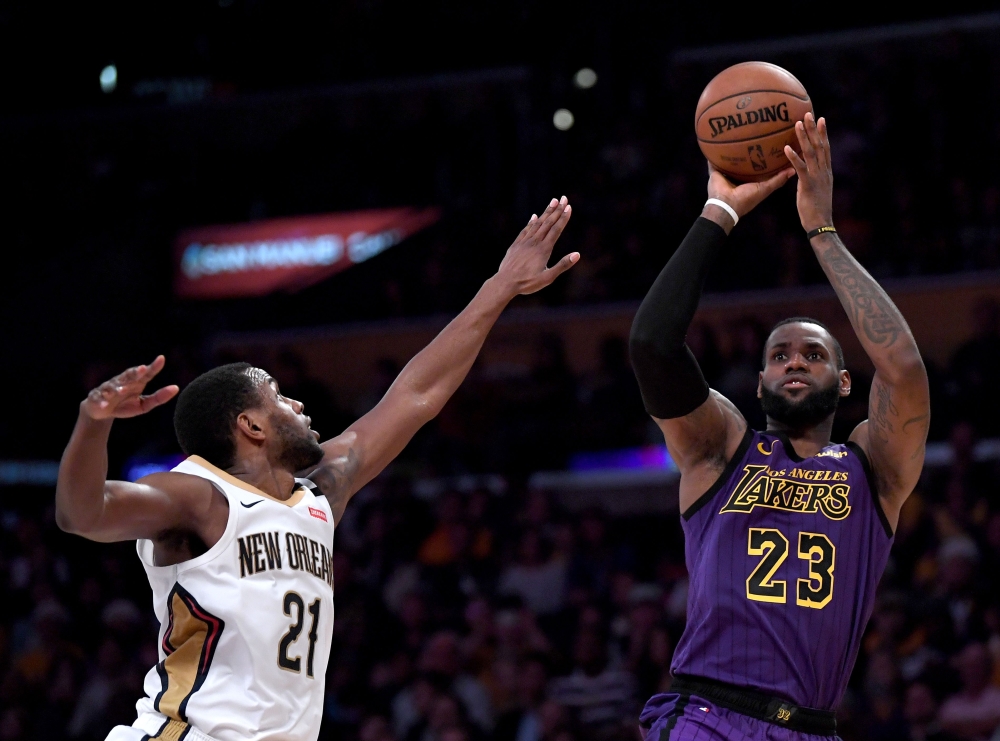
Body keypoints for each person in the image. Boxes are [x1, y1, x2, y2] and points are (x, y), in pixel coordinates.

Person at [54, 197, 579, 741]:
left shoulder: (319, 493)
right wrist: (94, 423)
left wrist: (501, 287)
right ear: (249, 427)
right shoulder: (198, 497)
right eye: (279, 397)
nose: (299, 406)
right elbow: (82, 513)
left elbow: (417, 394)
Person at [629, 113, 930, 739]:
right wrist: (720, 213)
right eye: (780, 355)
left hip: (811, 727)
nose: (795, 360)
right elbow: (654, 345)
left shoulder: (871, 468)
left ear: (845, 384)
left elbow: (901, 368)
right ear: (760, 382)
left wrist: (822, 233)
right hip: (706, 716)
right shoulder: (722, 449)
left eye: (815, 354)